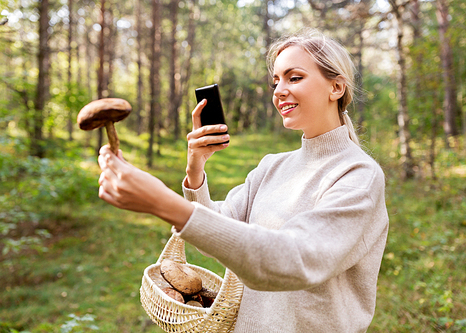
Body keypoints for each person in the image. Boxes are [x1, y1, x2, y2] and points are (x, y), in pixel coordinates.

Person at [98, 28, 389, 332]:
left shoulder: (359, 175)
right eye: (276, 80)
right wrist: (195, 171)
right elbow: (219, 233)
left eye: (294, 77)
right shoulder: (272, 166)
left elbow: (295, 259)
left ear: (336, 87)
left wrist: (163, 203)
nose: (279, 90)